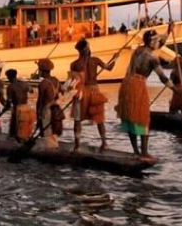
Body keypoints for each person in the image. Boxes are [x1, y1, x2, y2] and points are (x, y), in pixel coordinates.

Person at [117, 29, 169, 162]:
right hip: (138, 85)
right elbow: (163, 77)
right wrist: (175, 89)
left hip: (126, 83)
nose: (158, 43)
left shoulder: (138, 50)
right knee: (143, 118)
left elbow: (160, 43)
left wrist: (168, 31)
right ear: (151, 42)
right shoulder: (153, 57)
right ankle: (144, 152)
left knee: (130, 118)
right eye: (156, 41)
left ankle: (136, 151)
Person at [71, 38, 111, 150]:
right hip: (94, 90)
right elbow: (110, 68)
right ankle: (104, 143)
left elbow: (73, 82)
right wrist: (115, 58)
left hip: (81, 92)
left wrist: (67, 90)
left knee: (77, 119)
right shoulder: (95, 60)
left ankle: (77, 146)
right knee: (99, 119)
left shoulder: (74, 64)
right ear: (87, 49)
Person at [35, 58, 62, 149]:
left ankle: (49, 149)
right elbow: (61, 93)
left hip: (47, 110)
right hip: (56, 108)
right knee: (54, 130)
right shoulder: (56, 80)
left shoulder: (43, 84)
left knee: (46, 131)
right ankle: (55, 146)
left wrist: (38, 115)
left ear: (42, 71)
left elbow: (40, 101)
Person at [5, 69, 35, 141]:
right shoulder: (24, 84)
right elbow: (32, 91)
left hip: (17, 109)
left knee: (16, 129)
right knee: (24, 128)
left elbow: (9, 101)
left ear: (9, 77)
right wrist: (27, 84)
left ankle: (18, 143)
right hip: (26, 107)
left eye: (8, 77)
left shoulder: (10, 87)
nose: (8, 79)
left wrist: (6, 107)